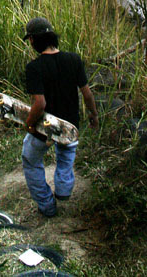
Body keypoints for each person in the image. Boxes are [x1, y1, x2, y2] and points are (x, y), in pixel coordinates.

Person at [20, 17, 99, 217]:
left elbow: (40, 104)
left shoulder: (34, 68)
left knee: (30, 158)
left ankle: (47, 206)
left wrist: (29, 124)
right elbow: (87, 94)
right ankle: (63, 190)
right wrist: (93, 115)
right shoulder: (74, 59)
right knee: (65, 156)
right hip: (70, 126)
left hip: (45, 127)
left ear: (33, 40)